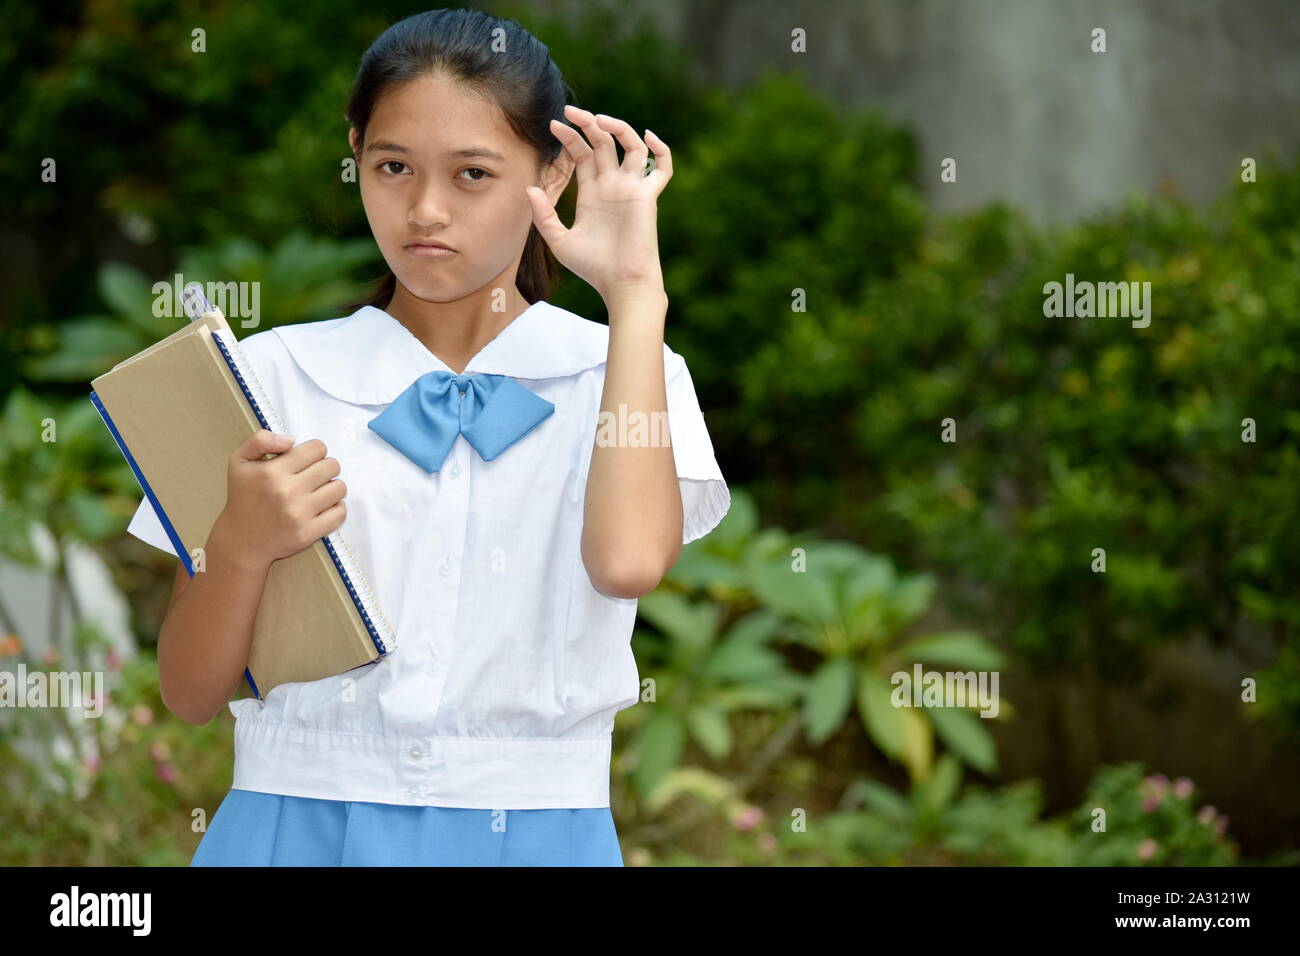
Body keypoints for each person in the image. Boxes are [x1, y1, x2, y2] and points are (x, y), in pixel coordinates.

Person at [124, 8, 730, 866]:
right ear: (356, 155)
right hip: (293, 829)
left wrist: (636, 297)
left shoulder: (628, 372)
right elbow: (188, 693)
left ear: (553, 172)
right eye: (392, 166)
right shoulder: (268, 378)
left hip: (538, 836)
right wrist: (240, 545)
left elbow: (628, 564)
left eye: (474, 173)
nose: (425, 209)